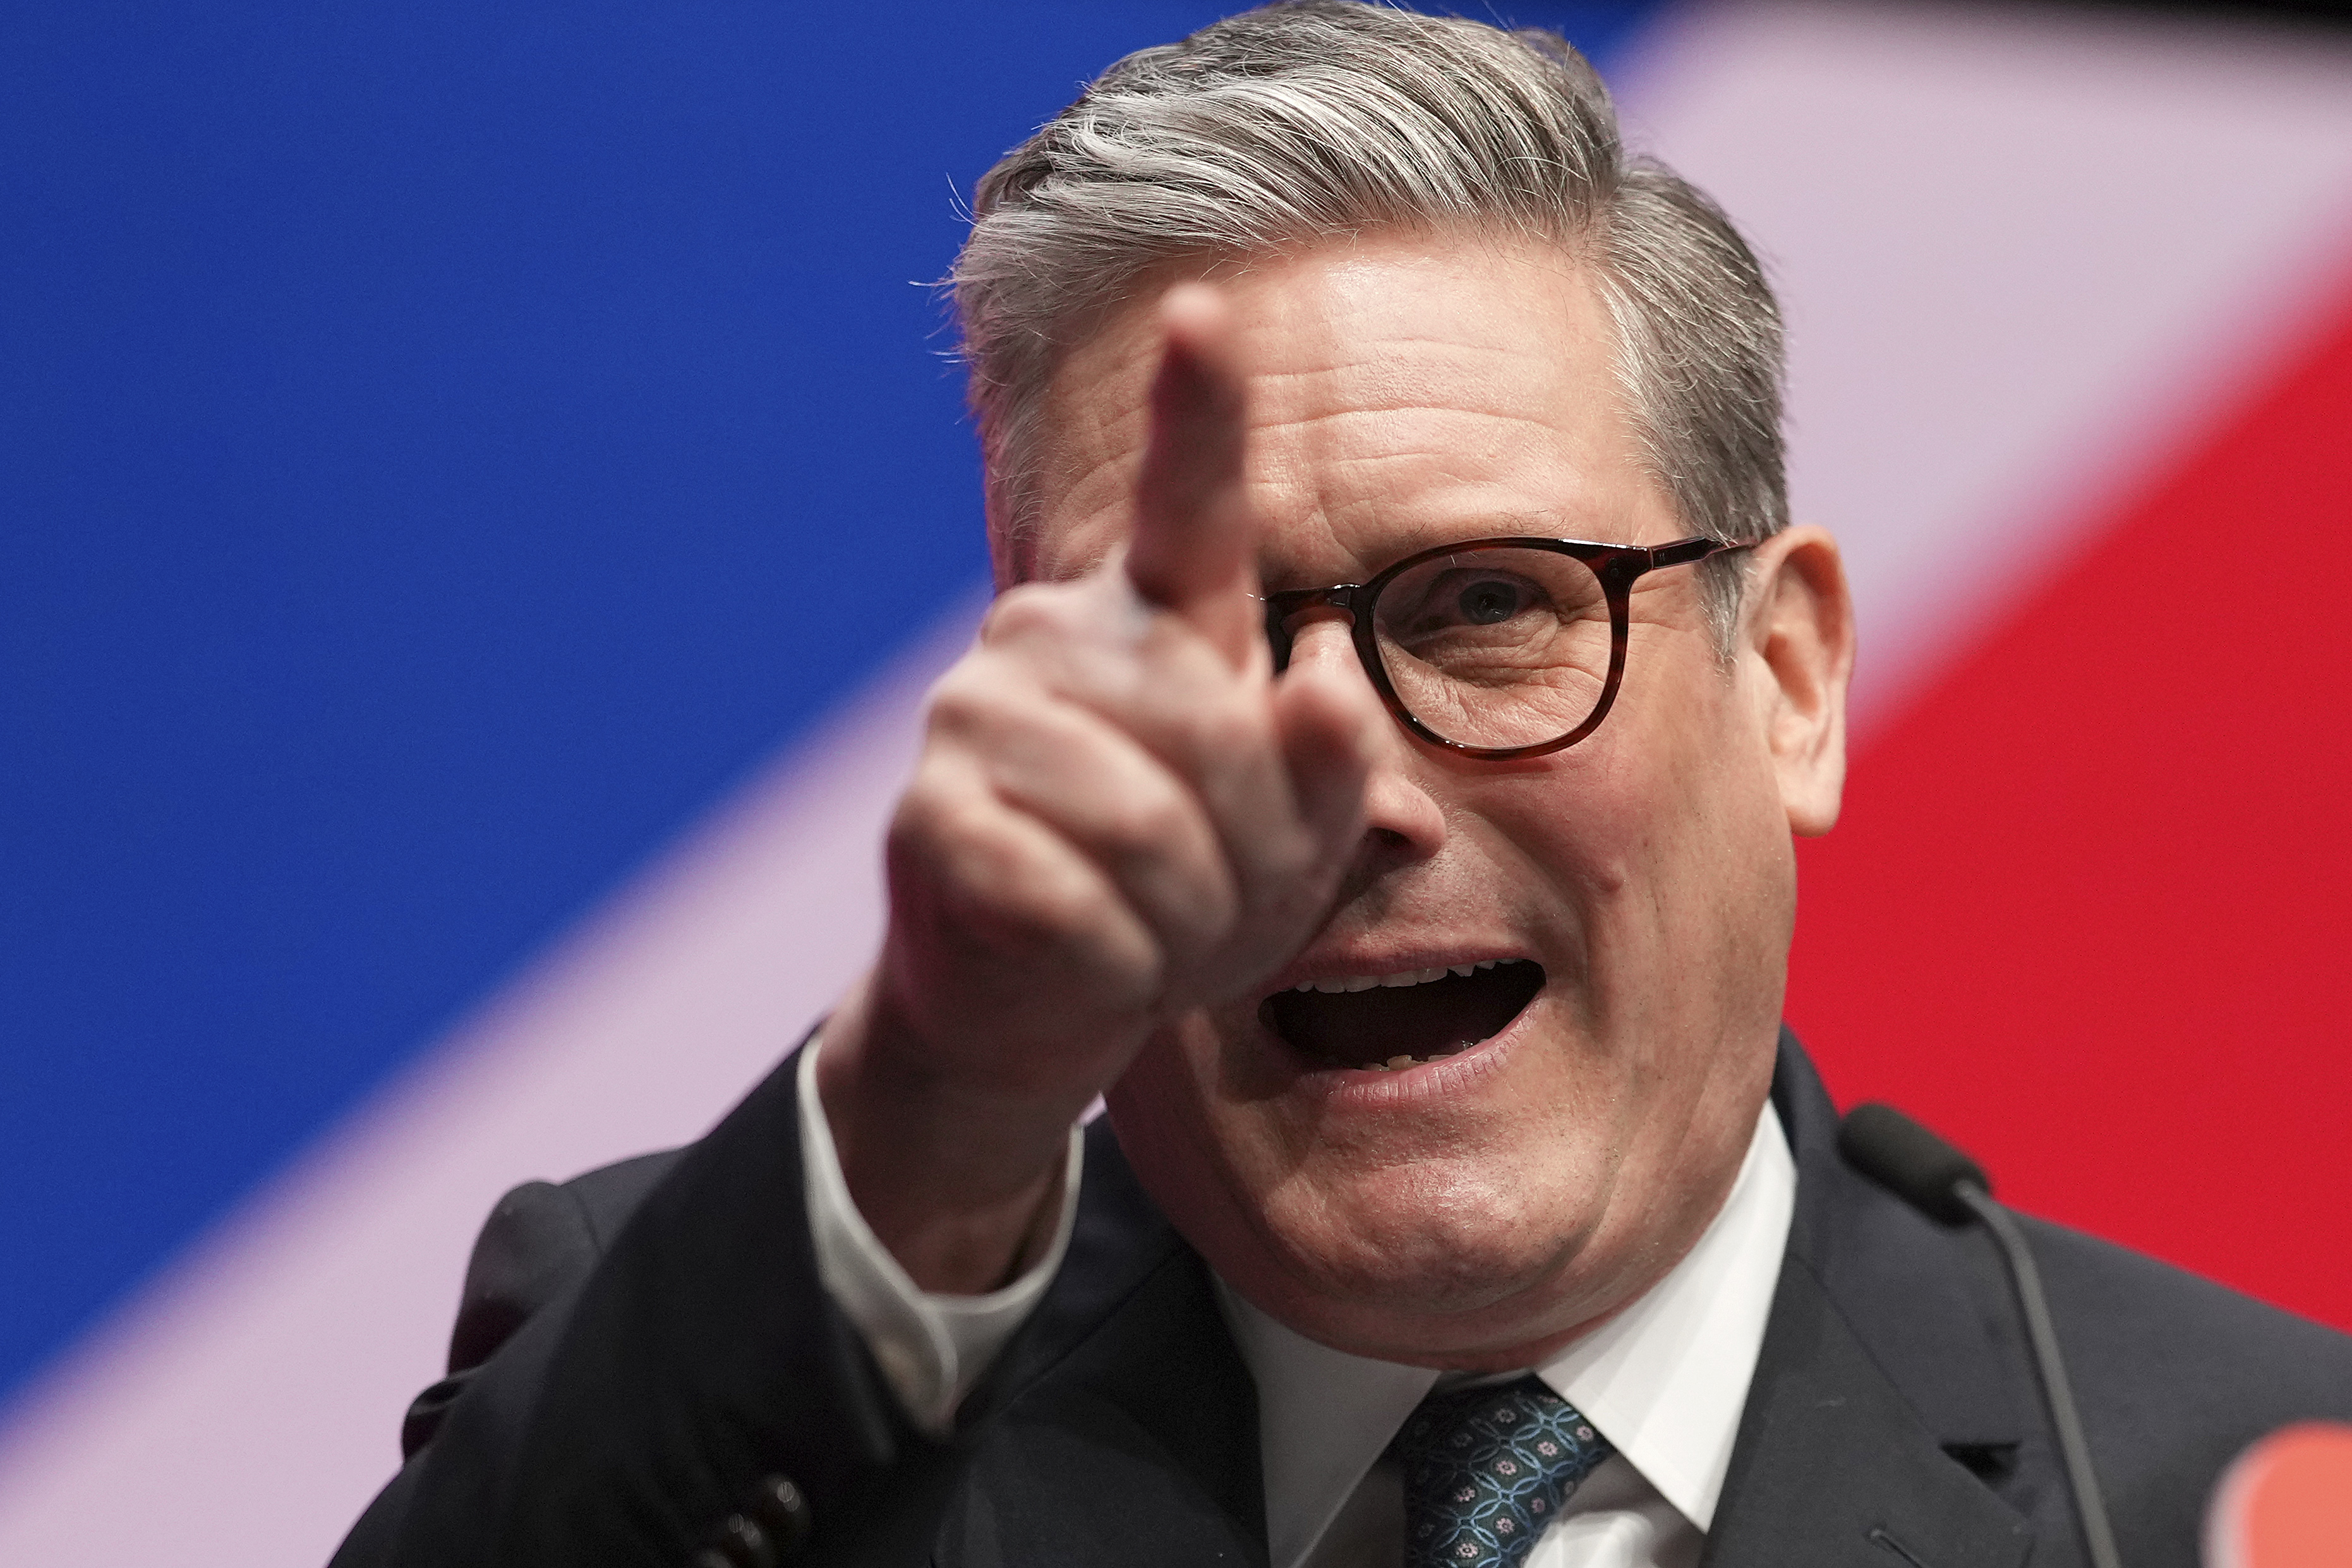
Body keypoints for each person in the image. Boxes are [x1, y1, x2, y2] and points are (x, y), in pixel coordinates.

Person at [330, 6, 2352, 1567]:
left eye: (1487, 604)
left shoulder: (2232, 1488)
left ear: (1789, 680)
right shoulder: (731, 1387)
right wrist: (935, 1105)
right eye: (1192, 651)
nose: (1340, 789)